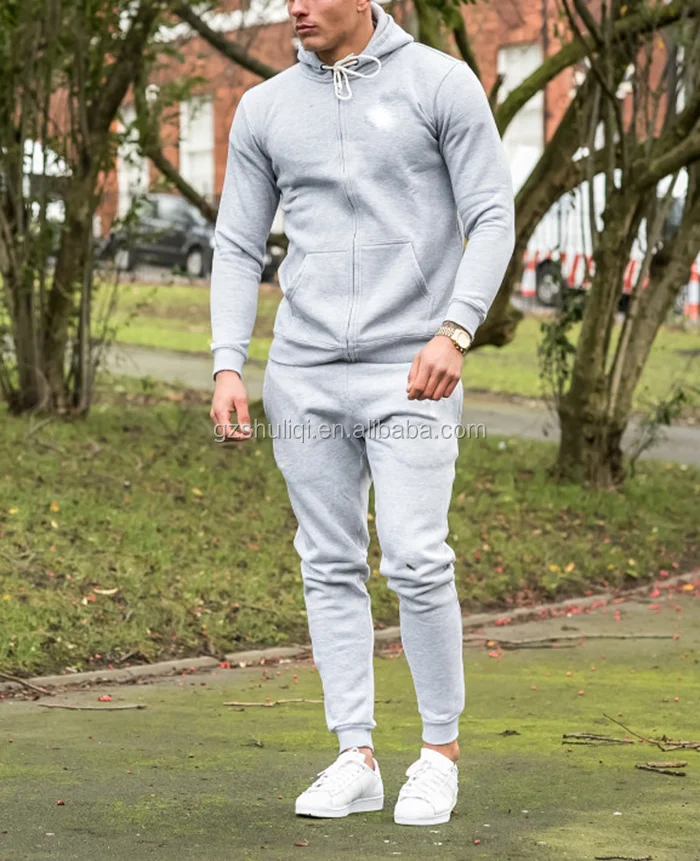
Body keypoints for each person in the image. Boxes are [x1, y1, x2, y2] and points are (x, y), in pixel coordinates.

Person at [209, 0, 515, 827]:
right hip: (303, 373)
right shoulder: (266, 108)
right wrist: (229, 361)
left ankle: (440, 753)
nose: (295, 8)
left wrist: (456, 330)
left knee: (416, 557)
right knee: (327, 560)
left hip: (413, 369)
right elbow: (237, 244)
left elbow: (492, 214)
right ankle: (356, 754)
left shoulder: (440, 84)